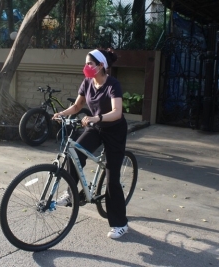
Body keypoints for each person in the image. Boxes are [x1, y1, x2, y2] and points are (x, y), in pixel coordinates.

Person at [52, 48, 129, 239]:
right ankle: (71, 192)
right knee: (74, 153)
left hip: (114, 130)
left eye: (90, 64)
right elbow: (78, 106)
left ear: (101, 66)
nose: (86, 67)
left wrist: (97, 117)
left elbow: (117, 112)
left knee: (112, 178)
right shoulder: (87, 82)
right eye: (86, 63)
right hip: (96, 127)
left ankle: (120, 224)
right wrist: (62, 114)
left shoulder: (113, 84)